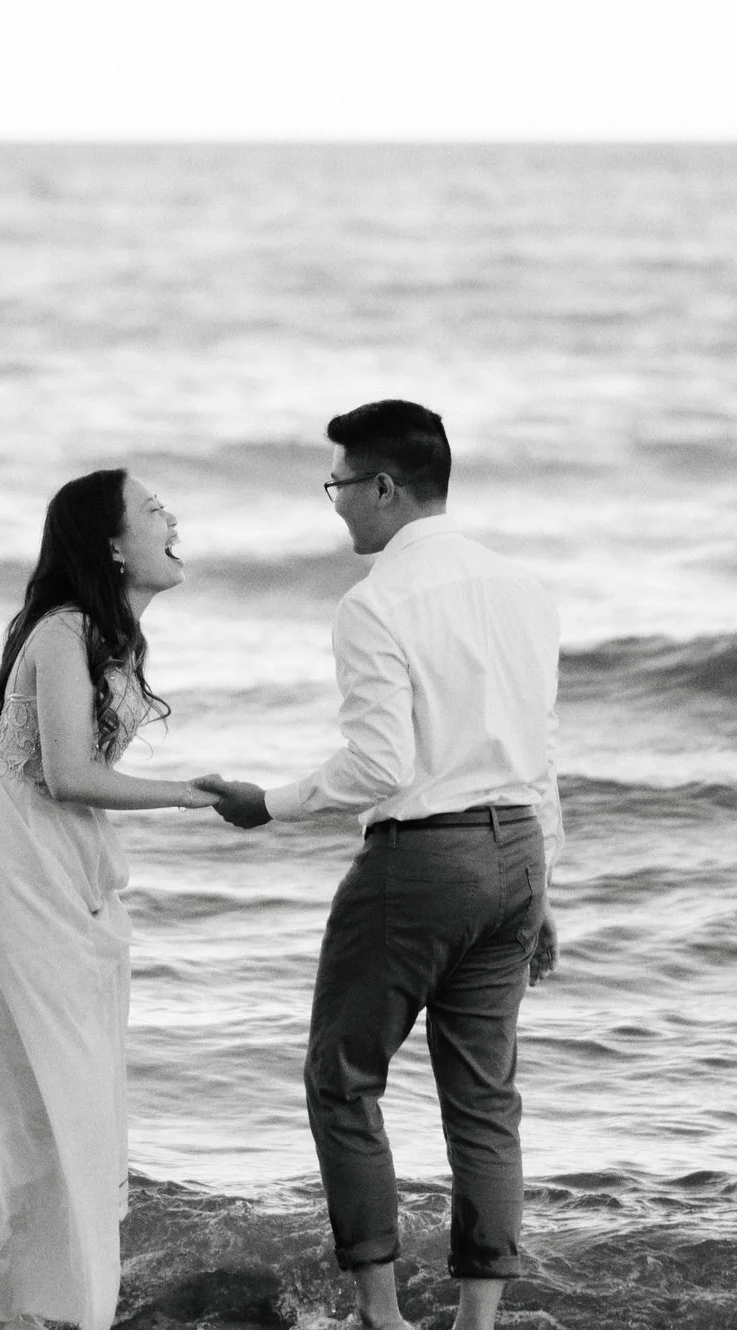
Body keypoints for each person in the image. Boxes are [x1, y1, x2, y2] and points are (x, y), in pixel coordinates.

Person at [201, 401, 563, 1330]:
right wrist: (544, 885)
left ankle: (381, 1314)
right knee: (484, 1097)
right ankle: (476, 1322)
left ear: (386, 487)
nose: (337, 508)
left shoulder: (375, 606)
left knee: (342, 1077)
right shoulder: (522, 586)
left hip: (421, 864)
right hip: (517, 849)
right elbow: (540, 745)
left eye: (342, 487)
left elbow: (380, 766)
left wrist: (268, 803)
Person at [0, 468, 219, 1330]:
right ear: (108, 543)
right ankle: (52, 1316)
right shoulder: (65, 631)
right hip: (15, 895)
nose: (173, 519)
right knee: (52, 1128)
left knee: (75, 1124)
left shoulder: (110, 638)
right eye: (154, 509)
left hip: (61, 893)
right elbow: (67, 775)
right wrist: (188, 792)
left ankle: (49, 1314)